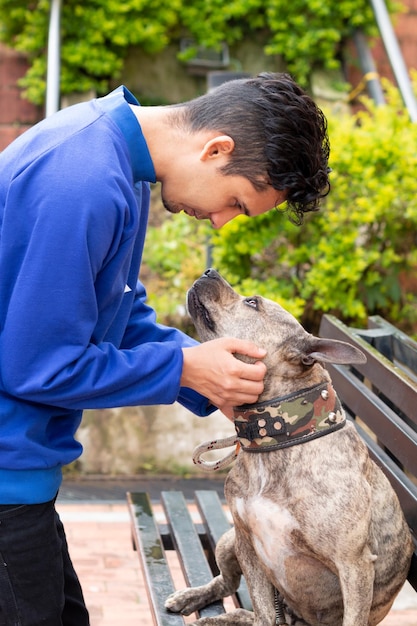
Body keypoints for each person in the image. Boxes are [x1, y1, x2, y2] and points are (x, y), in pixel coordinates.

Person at [0, 72, 330, 625]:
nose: (222, 222)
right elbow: (36, 365)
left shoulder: (113, 162)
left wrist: (206, 380)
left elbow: (120, 314)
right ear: (216, 148)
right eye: (236, 202)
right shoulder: (83, 179)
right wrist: (182, 365)